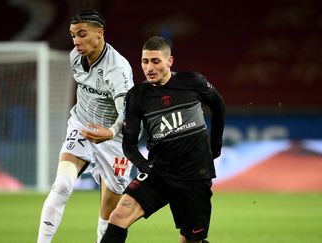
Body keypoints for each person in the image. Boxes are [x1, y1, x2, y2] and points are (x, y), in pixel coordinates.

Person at [100, 36, 226, 243]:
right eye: (145, 61)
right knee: (119, 215)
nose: (149, 67)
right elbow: (129, 144)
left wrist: (216, 146)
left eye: (155, 61)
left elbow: (218, 105)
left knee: (191, 239)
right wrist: (144, 165)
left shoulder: (191, 81)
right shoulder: (137, 96)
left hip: (195, 174)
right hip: (159, 172)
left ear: (169, 61)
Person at [37, 9, 135, 243]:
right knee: (61, 185)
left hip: (114, 140)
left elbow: (127, 111)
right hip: (82, 125)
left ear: (99, 33)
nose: (76, 41)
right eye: (73, 35)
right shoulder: (74, 57)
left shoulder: (118, 69)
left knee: (109, 214)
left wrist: (110, 131)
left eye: (82, 34)